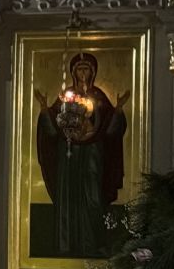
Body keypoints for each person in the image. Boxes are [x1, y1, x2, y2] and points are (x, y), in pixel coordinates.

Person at [34, 52, 129, 257]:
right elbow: (51, 130)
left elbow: (111, 131)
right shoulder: (66, 97)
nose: (83, 73)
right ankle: (65, 246)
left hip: (93, 154)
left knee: (93, 197)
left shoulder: (99, 97)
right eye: (79, 69)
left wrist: (119, 110)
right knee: (67, 197)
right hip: (68, 155)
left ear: (93, 72)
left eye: (86, 68)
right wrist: (43, 109)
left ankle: (94, 244)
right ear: (73, 72)